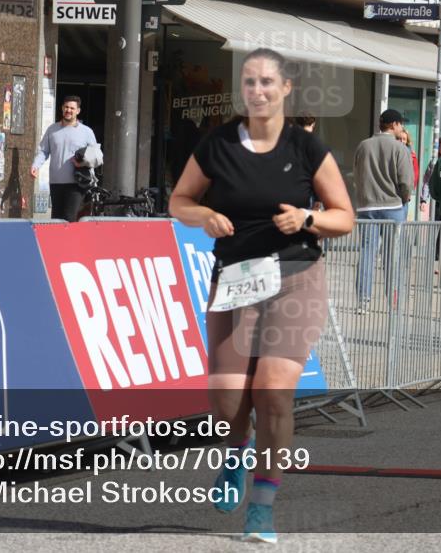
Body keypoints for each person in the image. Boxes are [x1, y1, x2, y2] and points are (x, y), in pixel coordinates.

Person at [168, 48, 354, 544]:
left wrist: (308, 219)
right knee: (228, 399)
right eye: (250, 82)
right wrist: (203, 216)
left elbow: (344, 216)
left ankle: (263, 506)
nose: (258, 91)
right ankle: (235, 452)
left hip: (295, 275)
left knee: (273, 393)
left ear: (286, 89)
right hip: (236, 277)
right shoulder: (218, 144)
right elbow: (178, 200)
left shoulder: (306, 148)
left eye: (268, 82)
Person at [353, 108, 415, 312]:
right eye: (401, 124)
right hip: (392, 206)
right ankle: (393, 300)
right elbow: (406, 181)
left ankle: (363, 300)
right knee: (392, 255)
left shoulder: (363, 146)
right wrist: (404, 198)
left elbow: (357, 176)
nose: (402, 127)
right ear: (394, 125)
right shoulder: (400, 149)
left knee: (367, 253)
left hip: (367, 207)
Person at [30, 95, 101, 221]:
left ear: (78, 111)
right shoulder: (52, 130)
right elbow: (44, 151)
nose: (69, 110)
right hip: (56, 182)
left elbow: (98, 157)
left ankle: (70, 241)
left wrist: (83, 163)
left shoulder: (86, 132)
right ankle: (57, 241)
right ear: (62, 108)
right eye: (66, 107)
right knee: (56, 218)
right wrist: (35, 165)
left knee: (69, 217)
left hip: (77, 182)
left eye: (72, 108)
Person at [418, 135, 441, 218]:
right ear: (438, 149)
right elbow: (427, 181)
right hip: (437, 201)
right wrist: (423, 200)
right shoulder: (434, 162)